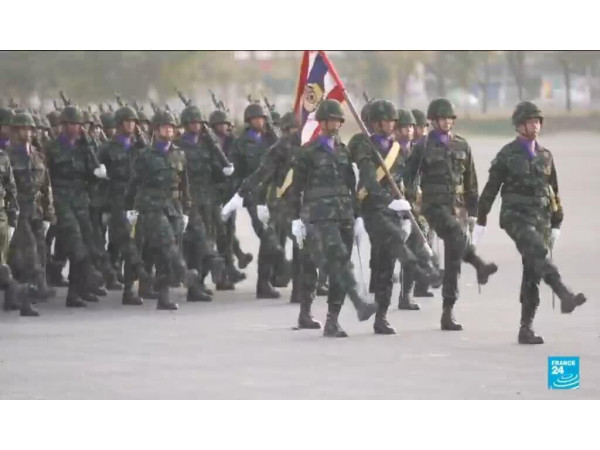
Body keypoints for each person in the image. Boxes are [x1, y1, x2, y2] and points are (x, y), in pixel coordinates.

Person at [476, 101, 586, 344]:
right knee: (537, 250)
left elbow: (553, 191)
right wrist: (481, 218)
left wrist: (557, 222)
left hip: (541, 220)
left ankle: (526, 328)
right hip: (515, 217)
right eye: (530, 122)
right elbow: (491, 189)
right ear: (519, 125)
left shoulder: (546, 155)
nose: (535, 126)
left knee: (533, 270)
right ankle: (563, 293)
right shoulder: (507, 155)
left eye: (537, 122)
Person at [403, 98, 498, 331]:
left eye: (449, 118)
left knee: (454, 259)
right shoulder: (423, 146)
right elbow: (408, 176)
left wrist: (473, 212)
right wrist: (412, 197)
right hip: (433, 206)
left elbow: (471, 181)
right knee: (456, 236)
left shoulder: (462, 146)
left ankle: (448, 312)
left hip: (457, 208)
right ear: (433, 121)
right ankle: (478, 264)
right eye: (442, 118)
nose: (446, 122)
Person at [349, 100, 441, 334]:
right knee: (394, 239)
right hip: (373, 208)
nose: (392, 125)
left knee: (386, 267)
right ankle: (421, 271)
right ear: (376, 123)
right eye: (387, 121)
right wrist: (387, 201)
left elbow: (403, 181)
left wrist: (407, 210)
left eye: (393, 121)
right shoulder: (365, 145)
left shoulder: (397, 149)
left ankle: (381, 317)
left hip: (394, 210)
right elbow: (369, 180)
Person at [289, 99, 376, 337]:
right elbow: (296, 188)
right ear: (322, 123)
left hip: (343, 215)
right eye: (331, 120)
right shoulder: (307, 152)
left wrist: (357, 216)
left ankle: (332, 319)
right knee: (334, 264)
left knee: (341, 263)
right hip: (319, 218)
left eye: (338, 120)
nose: (335, 124)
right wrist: (296, 219)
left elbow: (351, 185)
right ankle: (356, 304)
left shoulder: (344, 151)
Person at [125, 110, 202, 310]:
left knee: (164, 255)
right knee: (168, 244)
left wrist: (186, 210)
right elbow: (133, 184)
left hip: (173, 209)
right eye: (165, 126)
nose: (169, 130)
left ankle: (164, 296)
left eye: (171, 127)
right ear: (156, 130)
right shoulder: (145, 156)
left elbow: (184, 184)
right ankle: (184, 273)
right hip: (151, 208)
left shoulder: (179, 154)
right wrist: (129, 210)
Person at [6, 111, 55, 313]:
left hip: (36, 211)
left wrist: (49, 214)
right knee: (28, 253)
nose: (27, 133)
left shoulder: (37, 155)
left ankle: (16, 298)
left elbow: (46, 186)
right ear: (14, 131)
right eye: (22, 129)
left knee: (39, 252)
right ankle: (31, 295)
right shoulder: (7, 156)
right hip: (17, 211)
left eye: (29, 129)